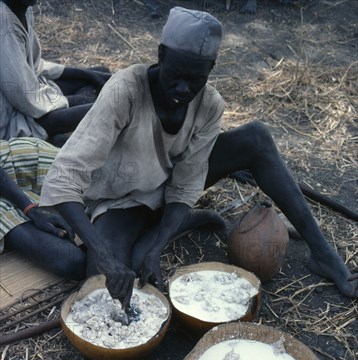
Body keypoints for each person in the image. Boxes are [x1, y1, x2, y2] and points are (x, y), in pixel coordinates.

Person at [40, 6, 358, 308]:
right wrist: (105, 255)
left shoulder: (209, 104)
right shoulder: (125, 91)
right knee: (106, 279)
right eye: (175, 75)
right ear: (161, 55)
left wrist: (158, 243)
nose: (182, 88)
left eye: (195, 79)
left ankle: (322, 254)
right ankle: (178, 225)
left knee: (256, 138)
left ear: (211, 69)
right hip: (122, 201)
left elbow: (188, 181)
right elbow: (63, 178)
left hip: (167, 188)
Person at [0, 0, 111, 144]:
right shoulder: (4, 25)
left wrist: (90, 75)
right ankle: (53, 139)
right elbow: (24, 97)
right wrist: (70, 101)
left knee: (101, 74)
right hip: (11, 119)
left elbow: (35, 66)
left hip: (31, 93)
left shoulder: (23, 9)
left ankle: (55, 137)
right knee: (102, 105)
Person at [0, 137, 86, 279]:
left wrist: (30, 209)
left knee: (102, 182)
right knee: (72, 262)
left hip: (18, 164)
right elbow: (73, 262)